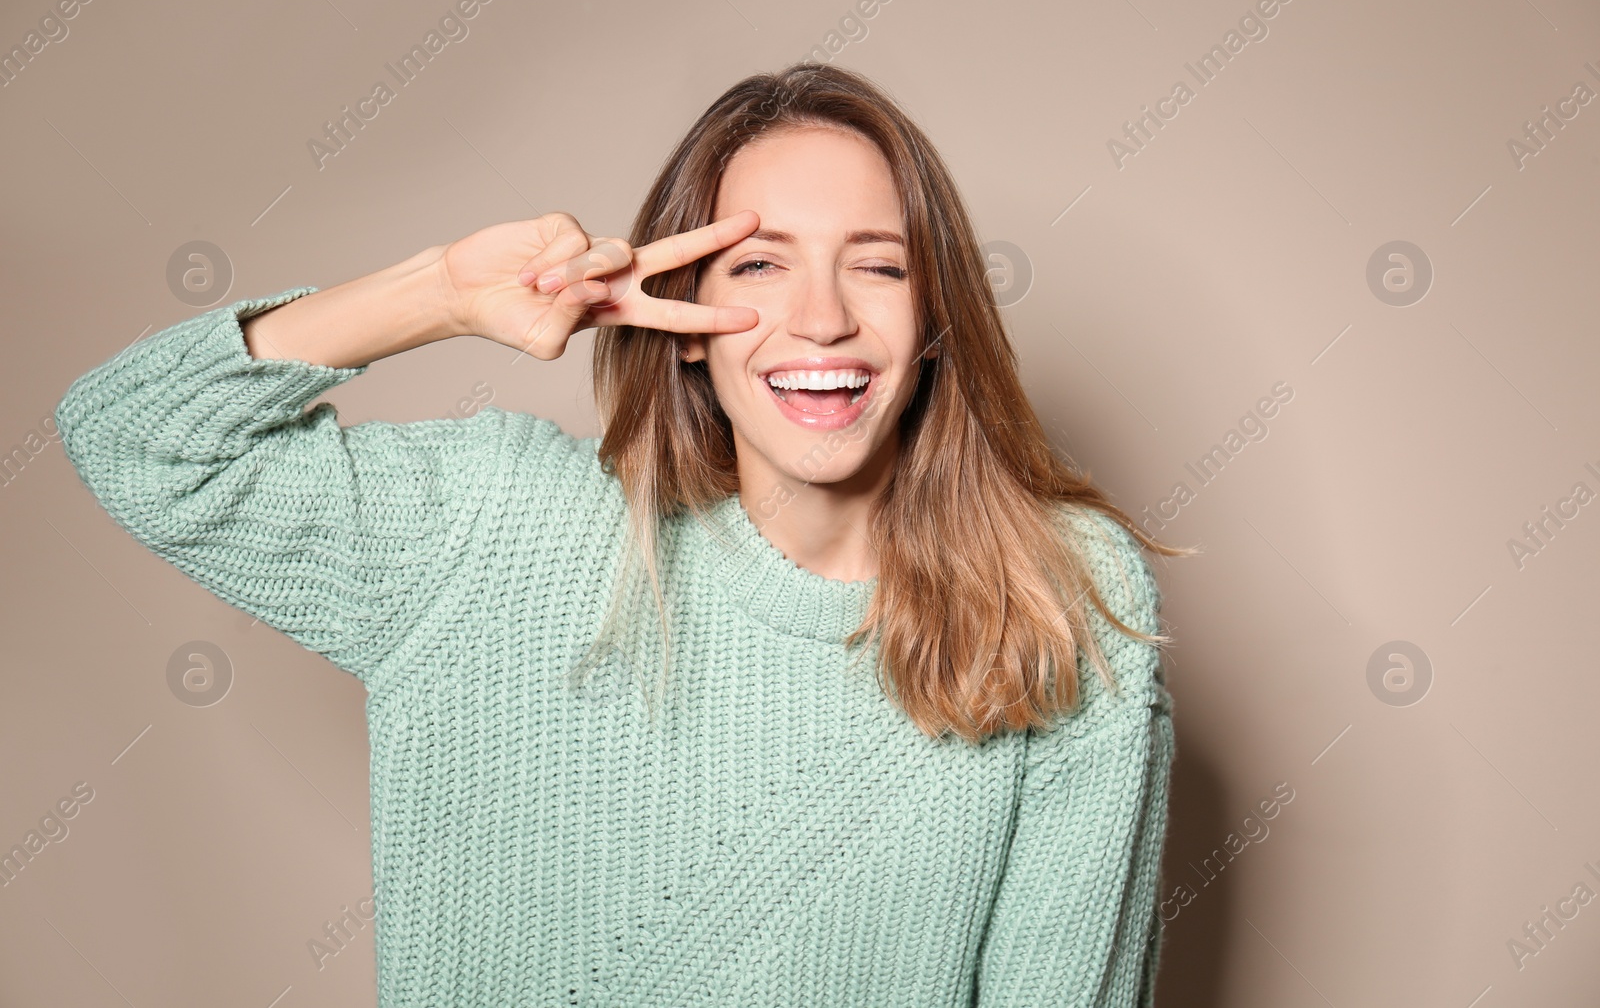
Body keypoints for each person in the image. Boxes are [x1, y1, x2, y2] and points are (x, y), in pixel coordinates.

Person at [55, 62, 1190, 1007]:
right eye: (759, 262)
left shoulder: (1052, 596)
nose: (824, 315)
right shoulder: (501, 529)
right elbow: (136, 441)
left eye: (879, 264)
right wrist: (440, 294)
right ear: (683, 325)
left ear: (937, 319)